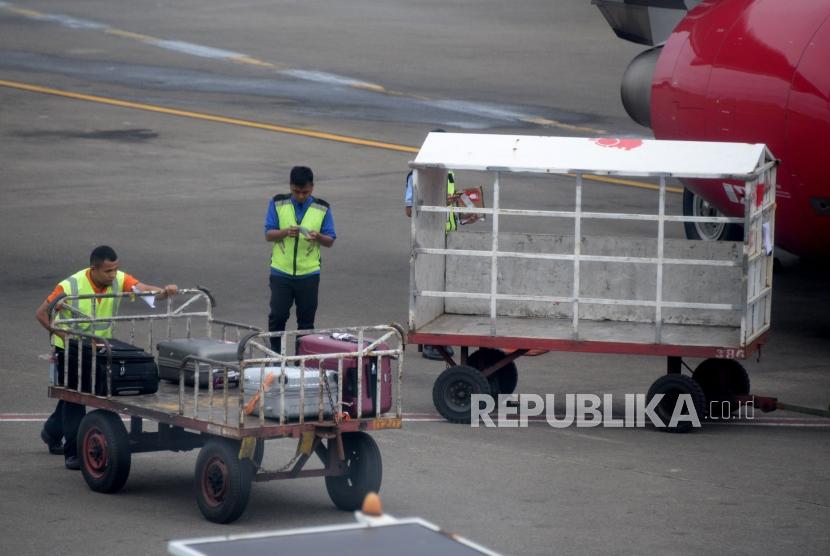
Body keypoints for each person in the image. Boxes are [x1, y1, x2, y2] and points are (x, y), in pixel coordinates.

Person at [35, 245, 178, 470]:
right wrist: (64, 335)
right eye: (108, 271)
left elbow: (143, 290)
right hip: (70, 350)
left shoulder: (119, 279)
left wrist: (163, 292)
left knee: (77, 392)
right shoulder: (70, 285)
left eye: (115, 270)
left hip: (100, 350)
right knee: (75, 399)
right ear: (94, 269)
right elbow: (41, 314)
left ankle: (50, 432)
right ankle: (73, 454)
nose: (113, 276)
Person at [265, 166, 336, 352]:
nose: (301, 196)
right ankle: (275, 356)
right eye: (296, 192)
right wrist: (285, 232)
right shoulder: (277, 203)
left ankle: (300, 361)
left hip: (309, 273)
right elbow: (269, 234)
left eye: (305, 192)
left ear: (312, 187)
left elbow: (330, 240)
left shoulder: (322, 208)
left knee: (306, 323)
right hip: (281, 272)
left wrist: (318, 236)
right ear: (290, 186)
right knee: (278, 317)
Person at [405, 129, 456, 361]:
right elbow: (409, 209)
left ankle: (442, 340)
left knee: (443, 293)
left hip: (447, 239)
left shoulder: (449, 172)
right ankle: (429, 343)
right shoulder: (419, 174)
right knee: (427, 292)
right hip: (427, 240)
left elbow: (449, 209)